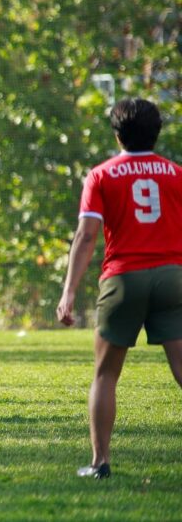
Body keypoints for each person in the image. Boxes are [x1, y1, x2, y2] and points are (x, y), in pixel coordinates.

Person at [57, 98, 182, 480]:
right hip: (173, 277)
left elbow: (87, 236)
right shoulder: (177, 174)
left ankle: (100, 463)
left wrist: (69, 291)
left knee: (106, 374)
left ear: (117, 134)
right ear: (157, 133)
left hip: (124, 278)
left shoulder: (101, 175)